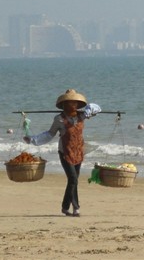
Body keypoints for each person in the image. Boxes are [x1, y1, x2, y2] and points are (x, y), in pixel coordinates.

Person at [23, 89, 101, 217]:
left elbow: (96, 107)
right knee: (73, 179)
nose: (73, 105)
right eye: (70, 103)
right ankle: (73, 207)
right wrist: (33, 139)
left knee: (74, 180)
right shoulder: (59, 119)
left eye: (75, 103)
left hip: (79, 151)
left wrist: (89, 111)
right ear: (64, 105)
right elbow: (50, 134)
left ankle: (69, 208)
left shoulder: (82, 116)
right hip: (65, 151)